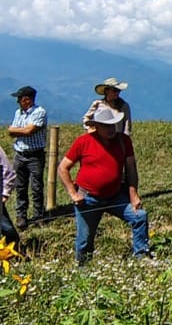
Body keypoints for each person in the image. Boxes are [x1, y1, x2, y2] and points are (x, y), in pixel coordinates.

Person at [57, 105, 150, 264]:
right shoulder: (83, 142)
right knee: (85, 238)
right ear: (96, 127)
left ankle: (142, 256)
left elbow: (131, 168)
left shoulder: (123, 141)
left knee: (139, 216)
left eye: (112, 125)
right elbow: (63, 168)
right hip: (88, 198)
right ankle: (83, 269)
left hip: (115, 196)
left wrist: (133, 194)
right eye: (106, 126)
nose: (110, 129)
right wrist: (73, 193)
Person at [7, 85, 47, 228]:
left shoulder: (39, 112)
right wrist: (21, 130)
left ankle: (38, 216)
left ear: (27, 100)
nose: (18, 101)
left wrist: (19, 130)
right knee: (20, 187)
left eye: (20, 99)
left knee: (36, 187)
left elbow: (29, 130)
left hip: (35, 155)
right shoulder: (18, 113)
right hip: (20, 154)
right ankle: (21, 216)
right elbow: (11, 131)